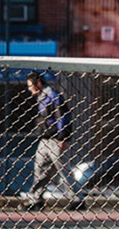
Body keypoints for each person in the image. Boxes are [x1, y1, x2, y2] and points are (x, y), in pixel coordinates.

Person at [22, 72, 85, 211]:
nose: (29, 89)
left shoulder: (52, 96)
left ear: (38, 83)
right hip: (45, 139)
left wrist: (63, 138)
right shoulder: (41, 98)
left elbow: (62, 117)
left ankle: (78, 199)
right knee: (40, 168)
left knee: (63, 170)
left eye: (30, 85)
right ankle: (35, 199)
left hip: (56, 139)